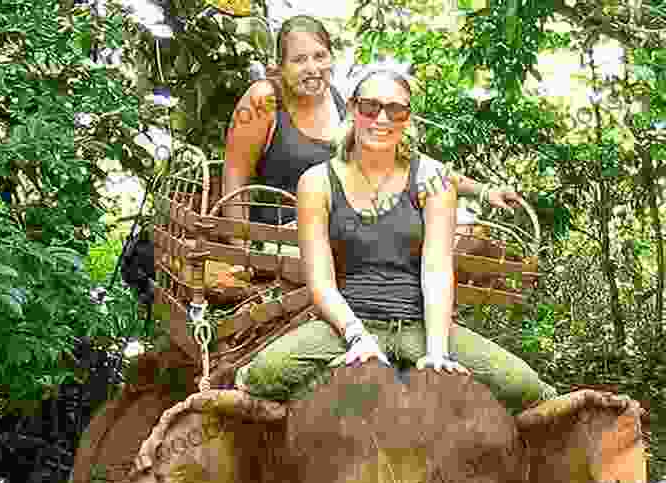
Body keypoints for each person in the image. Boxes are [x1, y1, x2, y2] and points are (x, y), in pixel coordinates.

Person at [234, 65, 557, 414]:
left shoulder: (432, 178)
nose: (381, 119)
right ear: (353, 110)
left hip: (418, 326)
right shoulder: (317, 182)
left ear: (407, 118)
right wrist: (357, 338)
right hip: (347, 324)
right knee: (264, 374)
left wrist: (436, 352)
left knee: (522, 384)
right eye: (370, 107)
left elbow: (436, 269)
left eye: (395, 110)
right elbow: (321, 281)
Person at [222, 15, 519, 228]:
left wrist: (482, 191)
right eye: (299, 60)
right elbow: (235, 175)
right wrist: (240, 249)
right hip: (278, 239)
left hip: (334, 233)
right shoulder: (265, 98)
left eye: (319, 56)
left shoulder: (341, 103)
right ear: (280, 66)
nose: (312, 68)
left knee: (453, 224)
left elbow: (404, 161)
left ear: (331, 59)